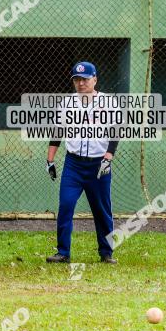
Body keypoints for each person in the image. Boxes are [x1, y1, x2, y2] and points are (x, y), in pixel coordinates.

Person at [46, 61, 117, 264]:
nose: (81, 83)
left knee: (102, 209)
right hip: (73, 164)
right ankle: (63, 252)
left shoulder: (108, 102)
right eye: (77, 79)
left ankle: (106, 252)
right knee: (66, 205)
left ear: (95, 79)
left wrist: (109, 156)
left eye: (85, 78)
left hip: (99, 163)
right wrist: (50, 159)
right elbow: (57, 132)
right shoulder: (67, 103)